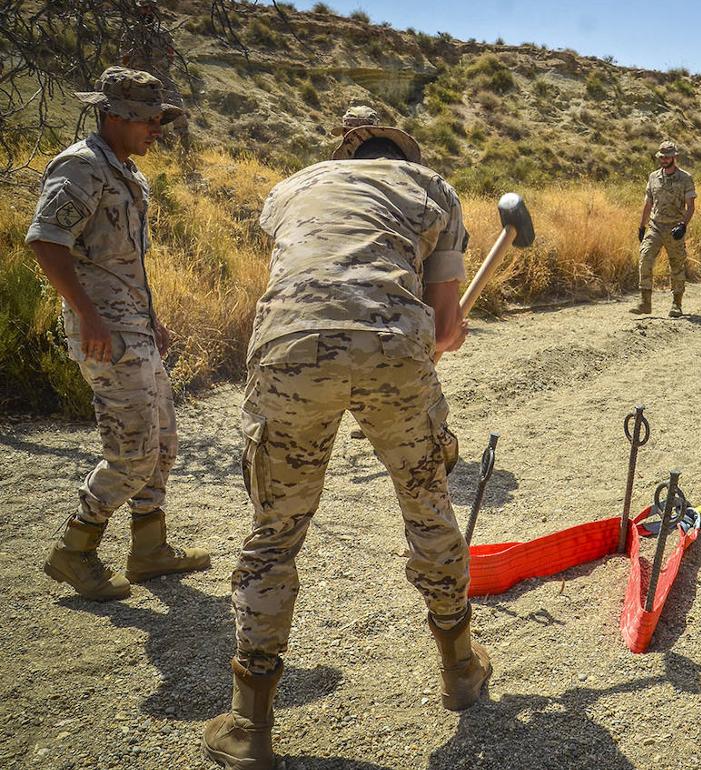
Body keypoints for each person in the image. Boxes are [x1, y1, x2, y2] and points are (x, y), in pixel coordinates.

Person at [202, 124, 490, 769]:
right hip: (392, 345)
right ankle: (461, 669)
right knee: (427, 506)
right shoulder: (432, 189)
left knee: (274, 531)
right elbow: (444, 326)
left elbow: (305, 273)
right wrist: (443, 337)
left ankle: (250, 727)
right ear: (403, 160)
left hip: (289, 349)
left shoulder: (292, 187)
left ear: (343, 158)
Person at [27, 67, 210, 603]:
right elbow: (45, 240)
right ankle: (75, 550)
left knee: (163, 444)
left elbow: (118, 260)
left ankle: (149, 550)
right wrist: (89, 315)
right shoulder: (81, 167)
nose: (157, 129)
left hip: (131, 325)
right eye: (148, 120)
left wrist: (148, 316)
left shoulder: (126, 171)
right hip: (105, 330)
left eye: (159, 119)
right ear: (114, 116)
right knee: (131, 452)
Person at [632, 140, 696, 318]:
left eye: (667, 157)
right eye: (662, 157)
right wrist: (641, 226)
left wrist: (683, 224)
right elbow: (648, 203)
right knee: (645, 258)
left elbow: (690, 206)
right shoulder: (653, 177)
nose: (664, 159)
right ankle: (645, 303)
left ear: (674, 157)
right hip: (655, 226)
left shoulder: (685, 178)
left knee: (676, 265)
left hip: (674, 227)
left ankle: (677, 304)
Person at [121, 0, 190, 150]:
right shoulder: (130, 33)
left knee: (178, 110)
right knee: (142, 116)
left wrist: (162, 67)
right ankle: (145, 148)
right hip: (139, 81)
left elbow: (171, 54)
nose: (148, 11)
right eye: (145, 8)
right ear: (139, 10)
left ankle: (186, 150)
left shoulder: (163, 33)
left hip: (162, 79)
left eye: (151, 8)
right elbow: (124, 60)